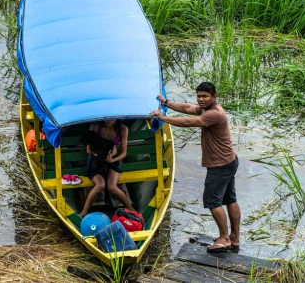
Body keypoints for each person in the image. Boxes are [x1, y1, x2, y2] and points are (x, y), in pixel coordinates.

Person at [151, 82, 239, 253]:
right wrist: (166, 102)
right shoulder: (206, 109)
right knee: (230, 199)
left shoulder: (214, 114)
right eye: (199, 96)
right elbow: (186, 108)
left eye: (205, 96)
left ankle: (224, 238)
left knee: (213, 201)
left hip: (220, 164)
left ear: (215, 97)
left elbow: (188, 122)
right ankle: (234, 237)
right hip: (229, 161)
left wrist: (163, 118)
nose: (201, 99)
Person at [79, 119, 133, 218]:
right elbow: (89, 150)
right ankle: (84, 212)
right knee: (100, 185)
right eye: (106, 117)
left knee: (112, 187)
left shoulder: (123, 129)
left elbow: (124, 153)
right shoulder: (95, 125)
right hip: (96, 161)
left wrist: (112, 160)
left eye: (112, 117)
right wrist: (105, 155)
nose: (109, 120)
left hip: (112, 161)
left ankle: (132, 210)